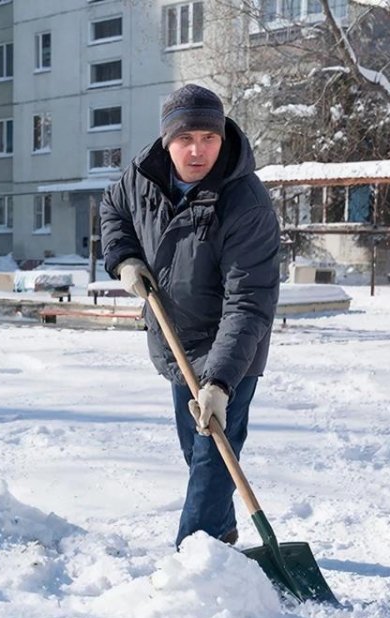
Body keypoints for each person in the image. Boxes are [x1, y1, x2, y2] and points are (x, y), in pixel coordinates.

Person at [100, 83, 280, 549]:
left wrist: (219, 382)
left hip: (231, 348)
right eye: (185, 139)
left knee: (211, 461)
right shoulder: (141, 177)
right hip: (175, 338)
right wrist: (124, 260)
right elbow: (112, 209)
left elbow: (249, 301)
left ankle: (193, 562)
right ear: (167, 141)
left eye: (209, 138)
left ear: (223, 139)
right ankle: (220, 531)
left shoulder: (245, 203)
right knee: (196, 451)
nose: (198, 150)